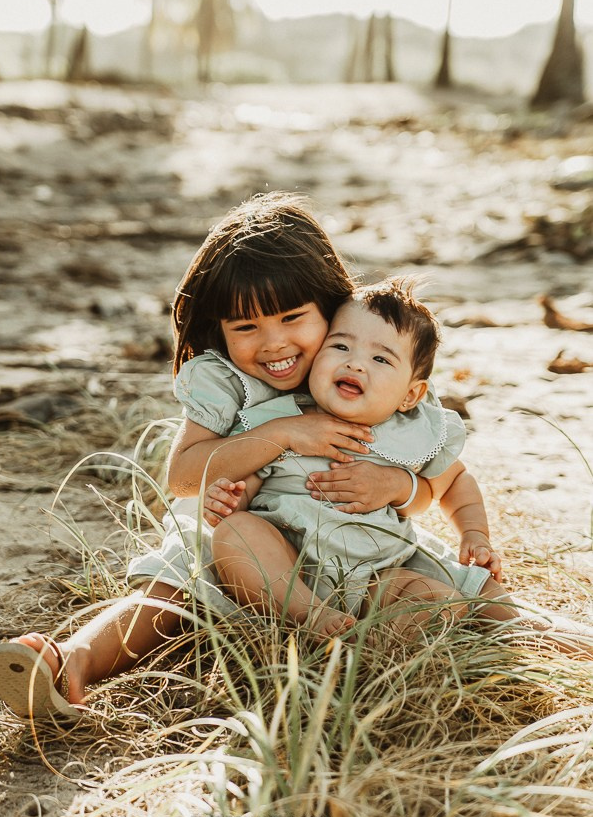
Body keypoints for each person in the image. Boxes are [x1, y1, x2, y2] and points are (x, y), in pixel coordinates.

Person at [0, 193, 425, 720]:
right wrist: (285, 432)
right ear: (221, 329)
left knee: (433, 587)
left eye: (292, 317)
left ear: (332, 306)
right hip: (245, 543)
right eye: (246, 327)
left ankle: (468, 650)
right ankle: (72, 661)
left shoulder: (374, 365)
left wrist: (399, 487)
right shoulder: (228, 382)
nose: (273, 343)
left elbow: (434, 485)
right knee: (179, 575)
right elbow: (184, 476)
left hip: (349, 545)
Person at [205, 278, 593, 652]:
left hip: (382, 572)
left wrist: (474, 534)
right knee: (237, 533)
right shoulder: (276, 419)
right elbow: (246, 483)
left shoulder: (411, 432)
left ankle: (544, 637)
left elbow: (456, 482)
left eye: (380, 359)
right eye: (340, 346)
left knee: (449, 597)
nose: (356, 364)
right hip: (293, 569)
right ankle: (309, 617)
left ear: (411, 394)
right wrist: (230, 501)